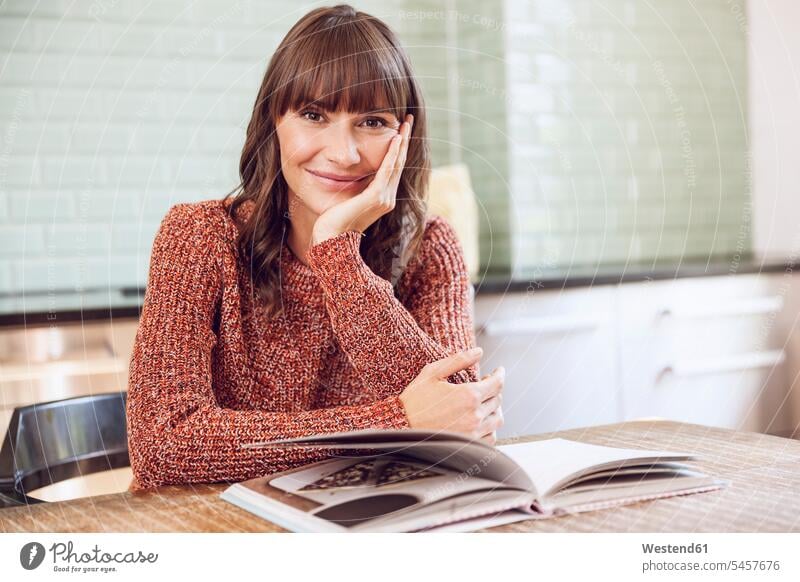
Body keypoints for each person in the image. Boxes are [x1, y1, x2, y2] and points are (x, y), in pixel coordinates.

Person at [126, 4, 505, 490]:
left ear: (404, 135)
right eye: (313, 114)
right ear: (273, 122)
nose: (343, 154)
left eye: (372, 122)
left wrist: (338, 254)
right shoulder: (199, 235)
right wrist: (393, 422)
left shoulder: (430, 245)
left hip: (358, 525)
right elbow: (163, 445)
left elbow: (460, 421)